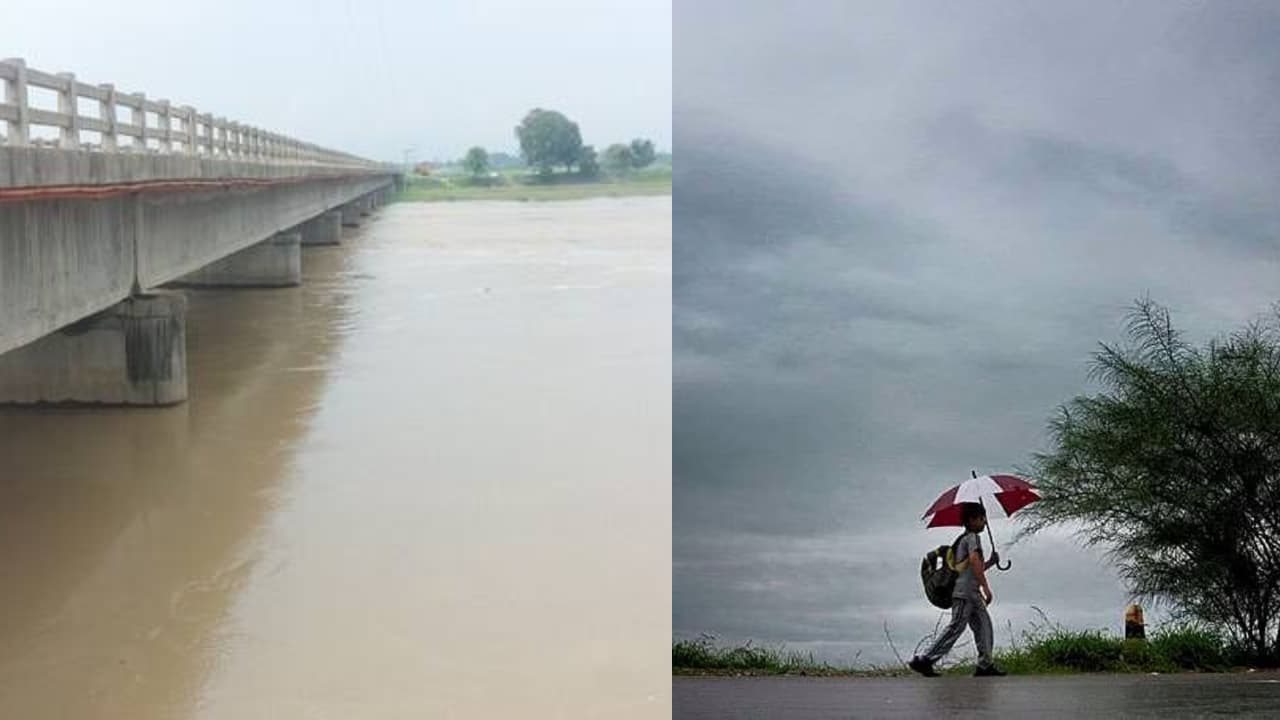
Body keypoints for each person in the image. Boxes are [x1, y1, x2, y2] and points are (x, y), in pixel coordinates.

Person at [909, 502, 1007, 677]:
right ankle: (925, 660)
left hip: (972, 593)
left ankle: (985, 665)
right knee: (956, 627)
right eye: (982, 518)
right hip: (964, 593)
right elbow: (974, 561)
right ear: (971, 520)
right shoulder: (972, 538)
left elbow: (971, 569)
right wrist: (986, 587)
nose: (985, 522)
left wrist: (991, 562)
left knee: (984, 625)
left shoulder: (963, 540)